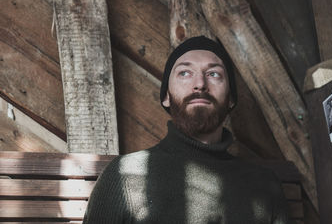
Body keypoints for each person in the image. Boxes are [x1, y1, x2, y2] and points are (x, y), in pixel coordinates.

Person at [83, 36, 288, 223]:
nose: (199, 84)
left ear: (231, 98)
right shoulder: (124, 176)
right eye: (185, 73)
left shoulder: (264, 184)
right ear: (166, 96)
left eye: (214, 74)